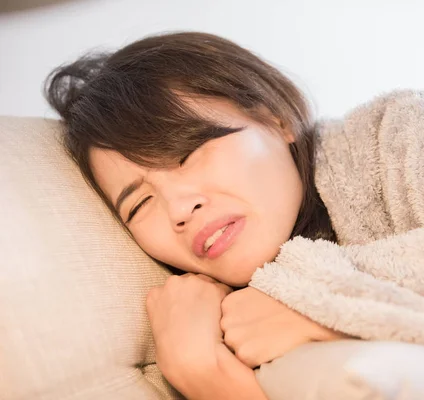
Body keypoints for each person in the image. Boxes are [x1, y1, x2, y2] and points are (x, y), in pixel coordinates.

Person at [45, 31, 348, 399]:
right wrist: (199, 367)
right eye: (139, 204)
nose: (178, 209)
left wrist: (337, 314)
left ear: (276, 117)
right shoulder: (240, 330)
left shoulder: (400, 141)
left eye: (187, 154)